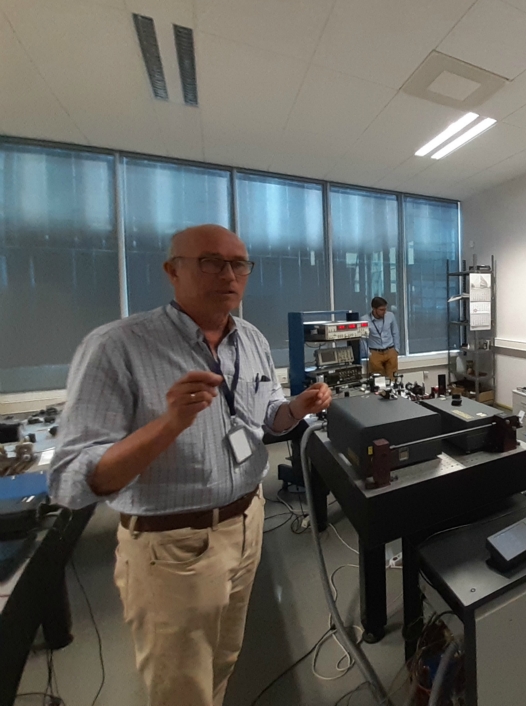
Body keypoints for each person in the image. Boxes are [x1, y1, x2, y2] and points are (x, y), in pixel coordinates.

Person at [49, 225, 332, 706]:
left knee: (222, 663)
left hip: (248, 523)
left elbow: (266, 419)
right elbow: (71, 481)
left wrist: (296, 409)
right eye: (211, 262)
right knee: (181, 688)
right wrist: (169, 424)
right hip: (172, 547)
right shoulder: (117, 346)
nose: (229, 275)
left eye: (239, 264)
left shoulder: (252, 340)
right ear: (172, 271)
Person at [362, 296, 400, 379]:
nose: (384, 312)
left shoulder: (390, 316)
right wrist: (368, 354)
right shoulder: (365, 319)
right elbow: (363, 339)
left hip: (390, 350)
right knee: (378, 380)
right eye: (381, 310)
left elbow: (395, 332)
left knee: (393, 379)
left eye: (385, 309)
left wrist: (396, 350)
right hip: (375, 353)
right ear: (374, 309)